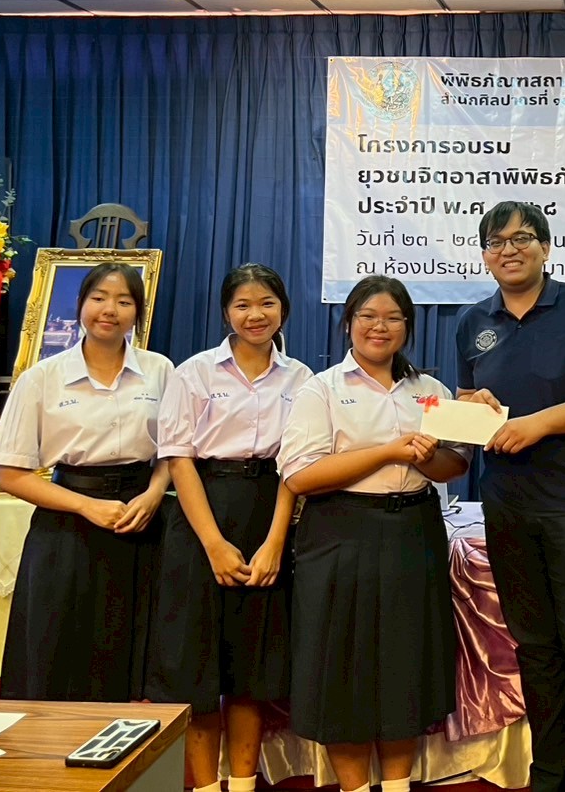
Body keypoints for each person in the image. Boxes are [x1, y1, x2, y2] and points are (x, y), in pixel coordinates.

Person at [457, 201, 565, 792]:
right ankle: (548, 775)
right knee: (534, 647)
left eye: (522, 238)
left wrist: (540, 423)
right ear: (485, 255)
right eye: (496, 241)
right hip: (506, 504)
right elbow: (466, 401)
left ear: (546, 247)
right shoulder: (472, 321)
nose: (508, 250)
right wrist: (472, 405)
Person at [280, 275, 470, 792]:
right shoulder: (322, 388)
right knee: (342, 664)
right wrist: (388, 451)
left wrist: (439, 450)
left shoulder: (429, 392)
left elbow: (454, 466)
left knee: (403, 663)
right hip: (339, 532)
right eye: (367, 316)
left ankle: (398, 784)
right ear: (349, 323)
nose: (378, 327)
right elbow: (300, 476)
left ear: (407, 326)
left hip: (414, 530)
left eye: (392, 318)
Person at [145, 265, 311, 792]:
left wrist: (275, 543)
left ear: (283, 309)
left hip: (269, 513)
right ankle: (205, 786)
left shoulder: (301, 378)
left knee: (251, 670)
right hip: (201, 517)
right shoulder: (194, 373)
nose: (255, 315)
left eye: (266, 303)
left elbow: (296, 466)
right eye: (242, 304)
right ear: (225, 312)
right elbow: (178, 459)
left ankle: (242, 784)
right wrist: (213, 544)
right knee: (197, 670)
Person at [0, 261, 173, 701]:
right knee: (60, 649)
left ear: (138, 312)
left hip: (142, 522)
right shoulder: (41, 378)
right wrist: (85, 505)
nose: (110, 310)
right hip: (66, 525)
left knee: (137, 652)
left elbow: (176, 451)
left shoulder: (161, 370)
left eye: (124, 301)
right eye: (99, 298)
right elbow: (9, 474)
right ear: (80, 305)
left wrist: (154, 494)